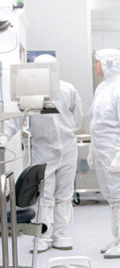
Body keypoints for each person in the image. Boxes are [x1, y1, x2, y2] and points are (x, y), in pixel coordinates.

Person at [2, 54, 82, 252]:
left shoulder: (67, 89)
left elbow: (77, 118)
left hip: (67, 147)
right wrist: (4, 137)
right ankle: (43, 236)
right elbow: (17, 118)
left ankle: (61, 234)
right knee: (45, 194)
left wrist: (68, 133)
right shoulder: (30, 92)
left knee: (64, 194)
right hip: (44, 149)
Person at [88, 48, 120, 259]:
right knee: (112, 199)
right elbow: (96, 121)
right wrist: (92, 148)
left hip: (116, 152)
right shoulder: (102, 87)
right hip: (102, 150)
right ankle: (118, 237)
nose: (95, 66)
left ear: (110, 63)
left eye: (97, 62)